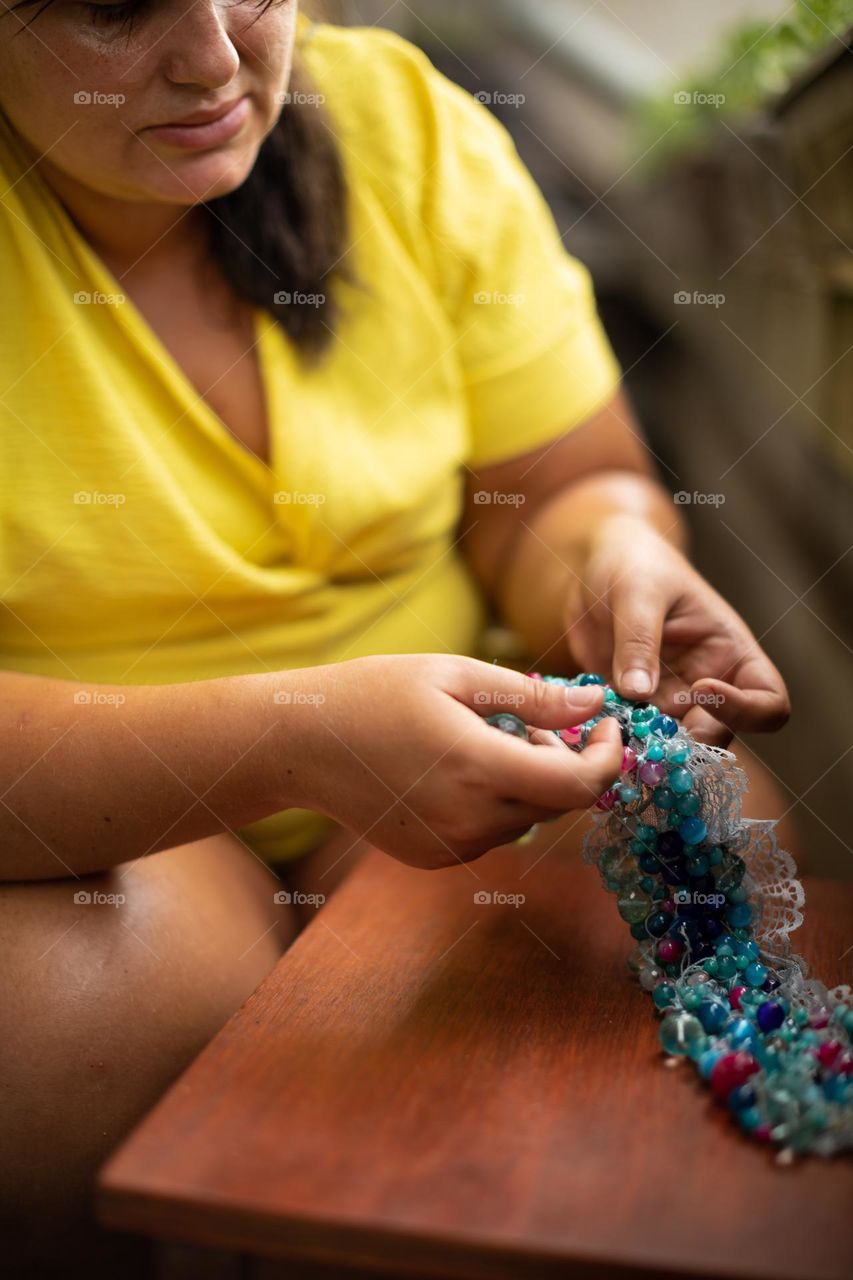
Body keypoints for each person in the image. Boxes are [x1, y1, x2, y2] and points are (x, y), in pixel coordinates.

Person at [0, 0, 791, 1261]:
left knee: (700, 821)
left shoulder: (398, 124)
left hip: (435, 737)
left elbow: (557, 485)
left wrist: (613, 561)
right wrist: (297, 737)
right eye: (112, 10)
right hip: (91, 806)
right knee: (62, 1019)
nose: (213, 59)